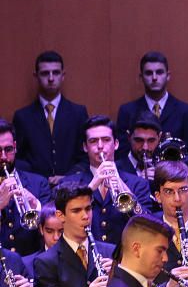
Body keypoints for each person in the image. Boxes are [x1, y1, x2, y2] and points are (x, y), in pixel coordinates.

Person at [62, 116, 154, 245]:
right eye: (93, 141)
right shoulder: (69, 183)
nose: (100, 146)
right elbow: (61, 220)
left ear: (116, 144)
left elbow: (148, 224)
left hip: (125, 258)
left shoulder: (137, 183)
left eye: (106, 140)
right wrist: (92, 186)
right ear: (85, 147)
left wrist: (122, 186)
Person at [12, 50, 89, 181]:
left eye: (56, 72)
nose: (51, 78)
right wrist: (38, 180)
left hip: (73, 186)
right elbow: (18, 158)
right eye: (45, 73)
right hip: (35, 188)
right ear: (36, 76)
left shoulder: (78, 113)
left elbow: (85, 154)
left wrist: (67, 178)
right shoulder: (22, 117)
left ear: (63, 75)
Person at [116, 51, 188, 155]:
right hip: (137, 170)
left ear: (168, 76)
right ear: (141, 77)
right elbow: (122, 152)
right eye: (149, 73)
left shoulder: (186, 111)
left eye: (159, 72)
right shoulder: (127, 111)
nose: (154, 77)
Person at [0, 118, 50, 255]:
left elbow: (54, 232)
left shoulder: (39, 183)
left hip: (31, 264)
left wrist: (36, 205)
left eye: (8, 149)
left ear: (15, 147)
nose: (3, 157)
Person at [117, 110, 162, 182]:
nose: (145, 147)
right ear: (129, 137)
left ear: (159, 138)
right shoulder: (116, 170)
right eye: (139, 140)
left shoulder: (165, 170)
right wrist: (138, 183)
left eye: (151, 141)